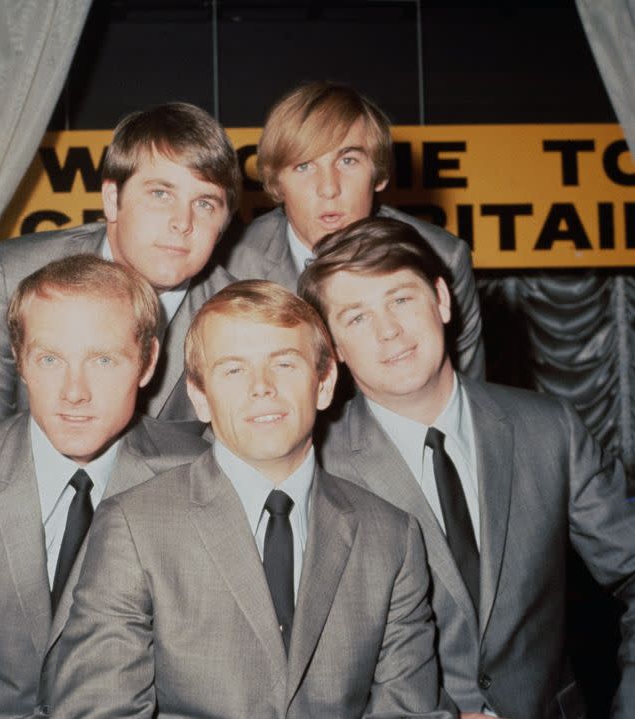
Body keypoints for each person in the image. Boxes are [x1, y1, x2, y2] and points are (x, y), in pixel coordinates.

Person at [50, 280, 456, 719]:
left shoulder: (392, 537)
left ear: (324, 384)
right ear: (200, 397)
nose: (262, 387)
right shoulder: (134, 525)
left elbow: (411, 711)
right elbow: (98, 710)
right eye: (233, 370)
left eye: (284, 364)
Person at [298, 217, 635, 719]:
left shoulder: (550, 429)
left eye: (401, 299)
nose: (389, 331)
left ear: (442, 299)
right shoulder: (313, 465)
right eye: (357, 317)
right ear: (335, 349)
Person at [0, 255, 209, 718]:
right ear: (19, 359)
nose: (73, 391)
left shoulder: (198, 480)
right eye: (50, 358)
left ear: (147, 361)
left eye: (102, 359)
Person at [0, 102, 242, 434]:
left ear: (223, 224)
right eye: (160, 194)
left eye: (204, 204)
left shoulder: (237, 318)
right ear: (112, 198)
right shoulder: (8, 276)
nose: (182, 223)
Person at [224, 80, 484, 378]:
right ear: (275, 184)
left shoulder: (442, 257)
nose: (329, 188)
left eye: (348, 160)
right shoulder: (232, 267)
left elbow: (465, 399)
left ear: (379, 174)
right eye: (304, 166)